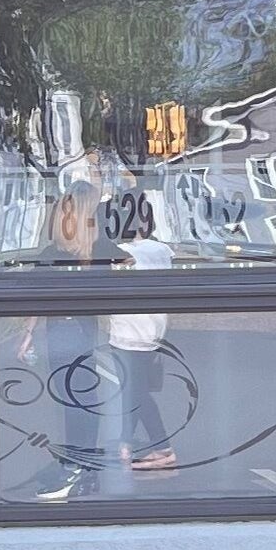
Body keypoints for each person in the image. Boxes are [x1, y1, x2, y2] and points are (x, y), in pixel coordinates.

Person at [19, 181, 124, 501]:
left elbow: (35, 296)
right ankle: (82, 467)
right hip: (86, 331)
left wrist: (26, 334)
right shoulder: (100, 247)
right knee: (81, 404)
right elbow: (128, 264)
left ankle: (76, 468)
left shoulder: (56, 250)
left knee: (71, 404)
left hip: (61, 331)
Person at [105, 197, 178, 473]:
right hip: (154, 329)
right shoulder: (162, 250)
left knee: (134, 393)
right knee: (136, 391)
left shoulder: (123, 253)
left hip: (128, 331)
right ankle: (132, 445)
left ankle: (158, 448)